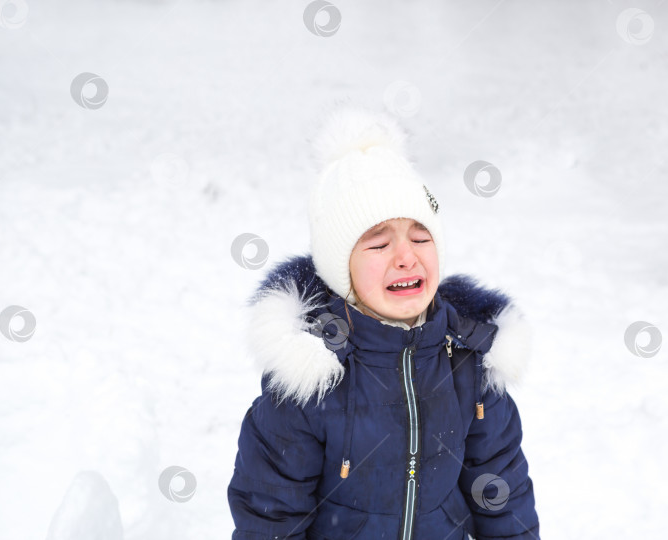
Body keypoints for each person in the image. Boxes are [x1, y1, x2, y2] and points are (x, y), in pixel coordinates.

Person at [227, 102, 540, 539]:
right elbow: (271, 517)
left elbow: (504, 499)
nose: (406, 256)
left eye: (420, 235)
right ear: (342, 269)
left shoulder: (471, 362)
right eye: (378, 244)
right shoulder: (310, 382)